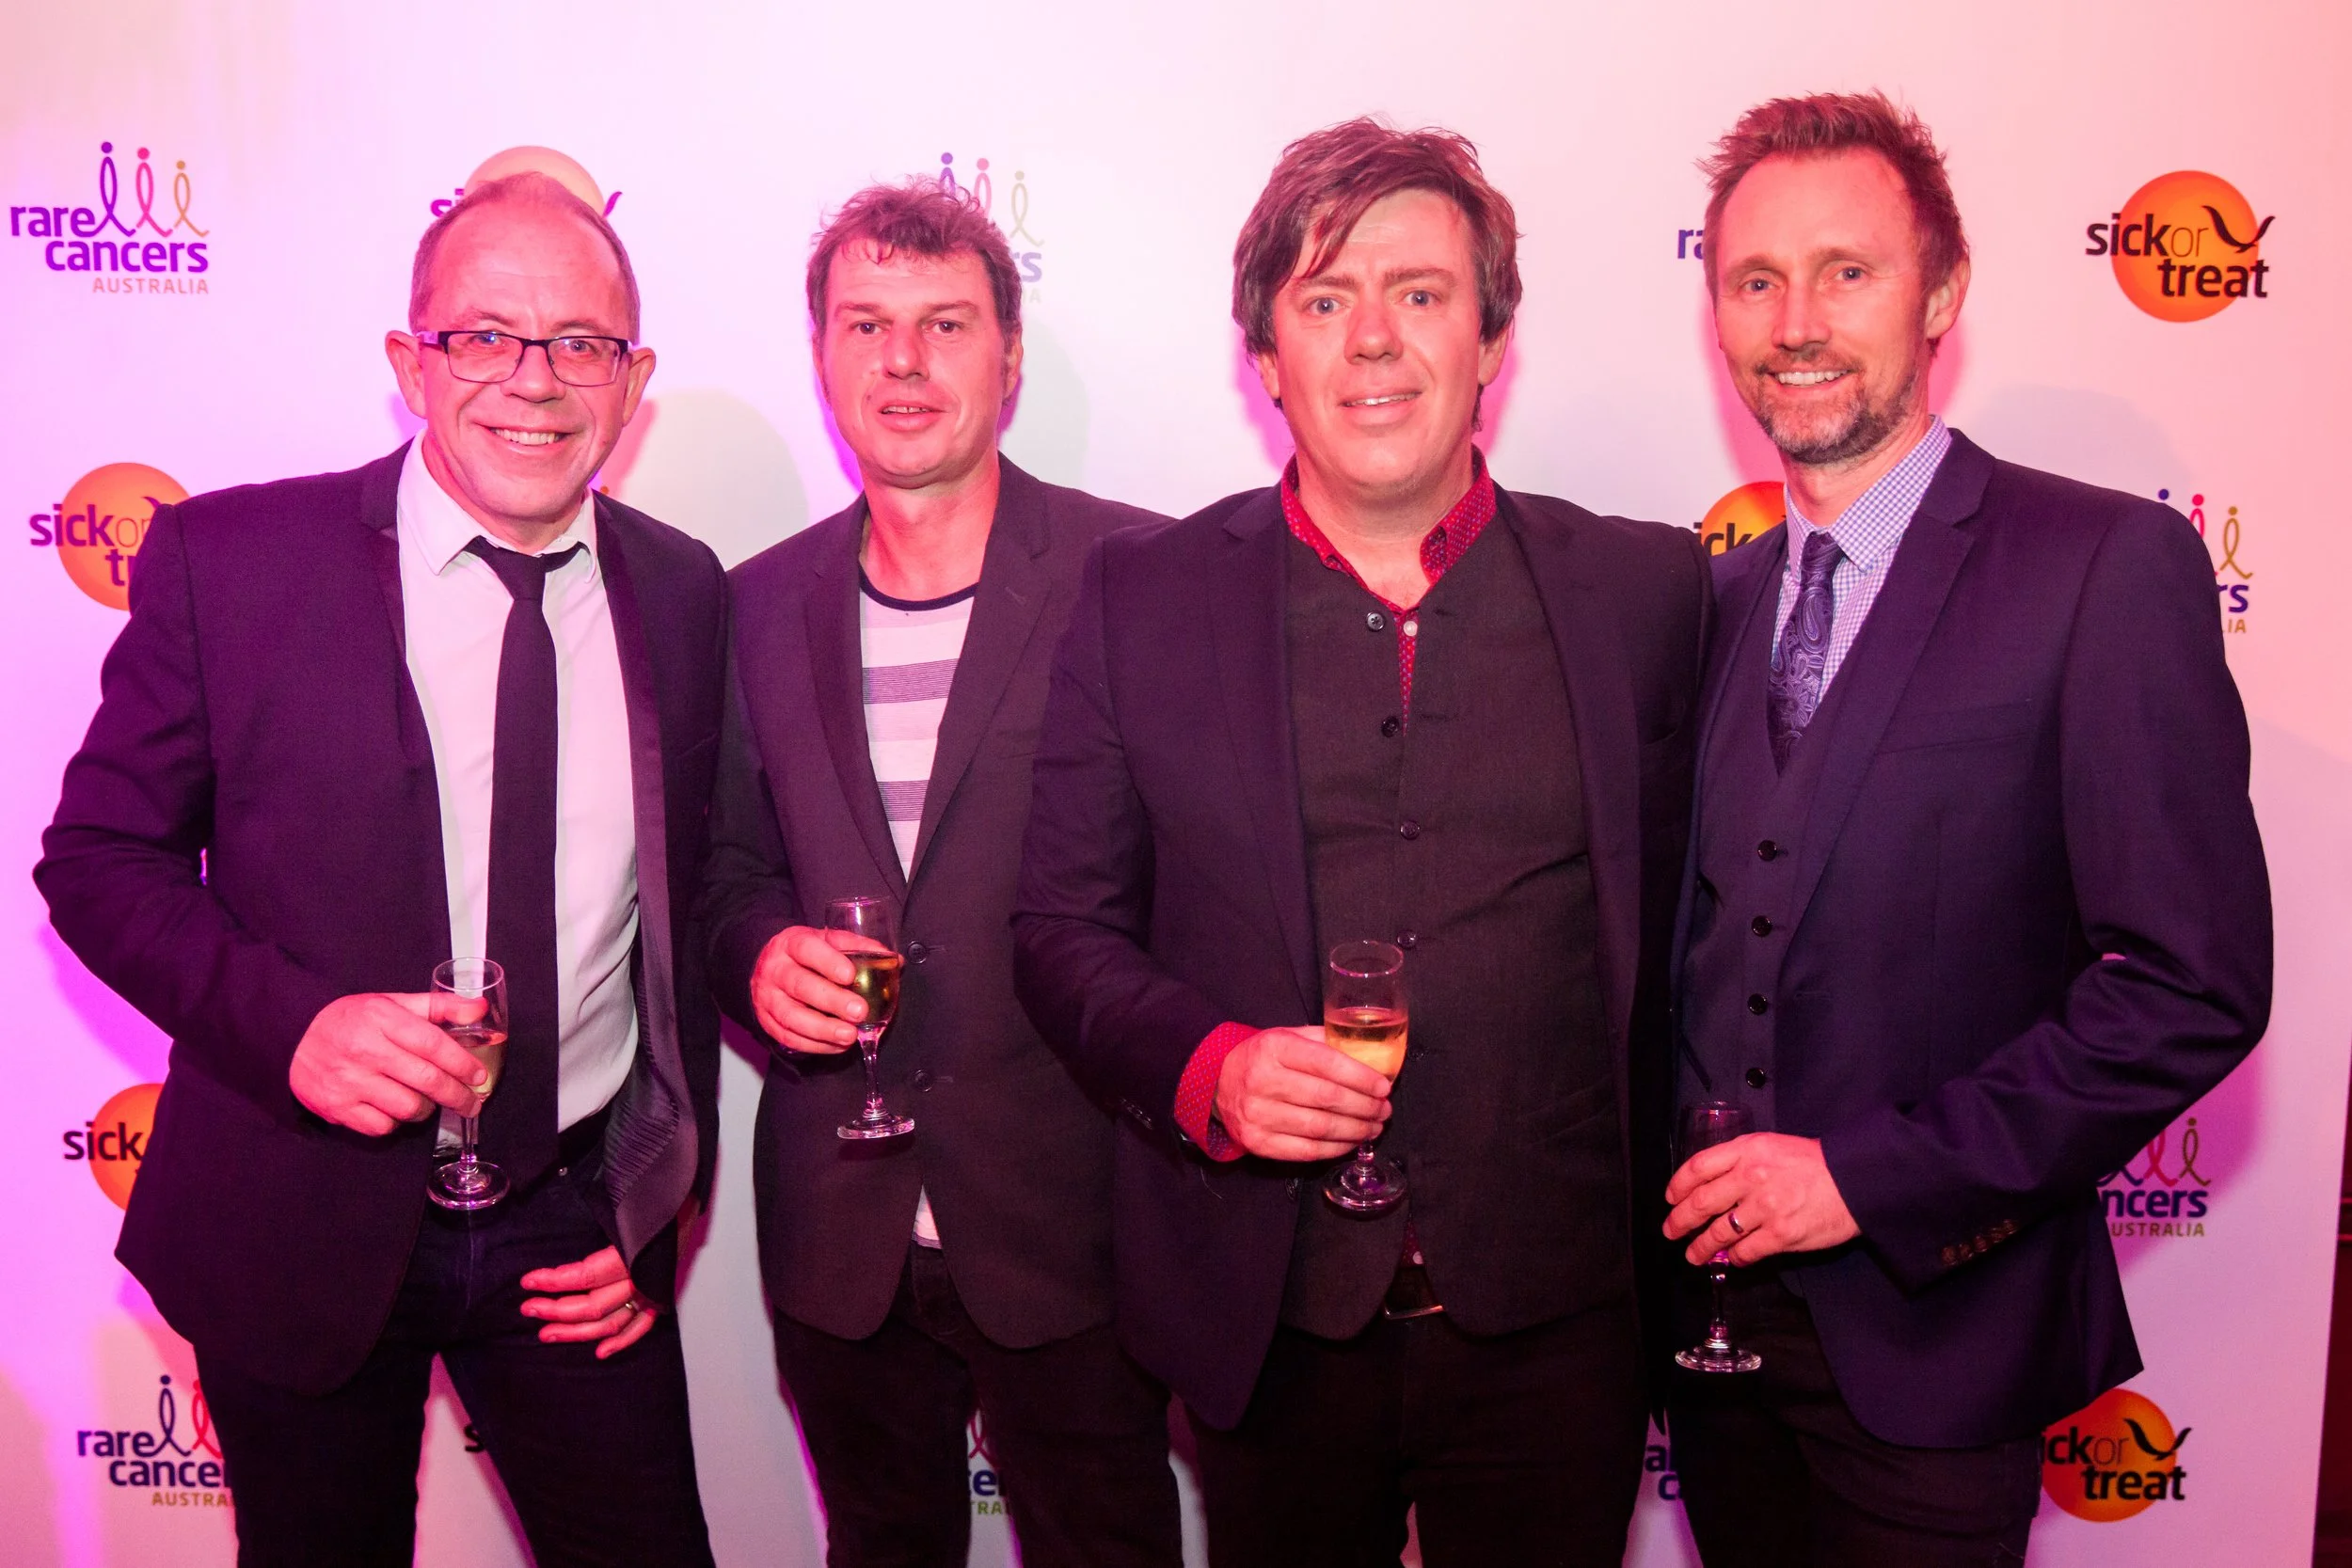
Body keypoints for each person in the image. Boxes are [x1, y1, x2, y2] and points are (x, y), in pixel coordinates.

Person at [1012, 119, 1709, 1567]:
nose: (1374, 341)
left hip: (1561, 1315)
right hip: (1268, 1316)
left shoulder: (1647, 590)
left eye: (1422, 293)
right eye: (1326, 301)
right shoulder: (1139, 598)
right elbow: (1059, 928)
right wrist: (1210, 1066)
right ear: (1266, 356)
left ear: (1494, 337)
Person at [36, 170, 724, 1567]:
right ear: (411, 360)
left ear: (632, 378)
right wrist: (292, 1025)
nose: (533, 380)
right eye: (484, 335)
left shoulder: (687, 588)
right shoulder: (230, 561)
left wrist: (657, 1206)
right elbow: (98, 858)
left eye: (580, 343)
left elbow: (691, 913)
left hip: (569, 1226)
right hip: (294, 1219)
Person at [1661, 90, 2271, 1566]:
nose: (1796, 321)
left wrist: (1865, 1178)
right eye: (1756, 280)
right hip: (1713, 1346)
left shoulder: (2104, 566)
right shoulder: (1711, 605)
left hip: (1938, 1348)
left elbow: (2191, 987)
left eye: (1846, 272)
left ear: (1942, 292)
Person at [697, 179, 1183, 1568]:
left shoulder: (1140, 572)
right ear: (824, 358)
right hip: (840, 1235)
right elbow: (727, 870)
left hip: (1072, 1219)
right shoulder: (751, 603)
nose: (903, 363)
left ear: (1011, 357)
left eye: (946, 324)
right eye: (867, 324)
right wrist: (753, 956)